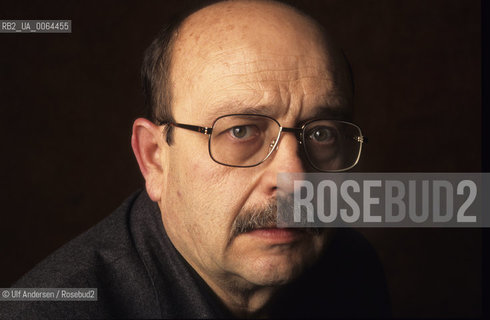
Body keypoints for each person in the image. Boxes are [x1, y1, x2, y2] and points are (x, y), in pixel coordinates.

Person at [0, 0, 391, 318]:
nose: (295, 179)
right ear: (155, 159)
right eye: (241, 131)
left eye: (321, 133)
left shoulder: (350, 269)